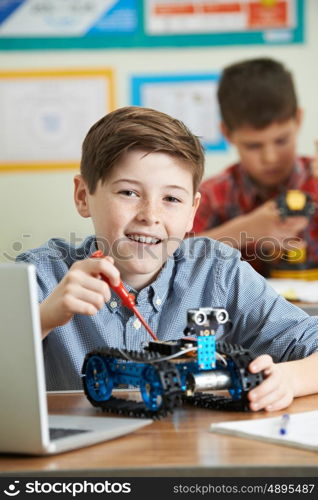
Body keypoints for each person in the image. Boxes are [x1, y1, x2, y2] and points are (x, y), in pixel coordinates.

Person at [17, 106, 318, 413]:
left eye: (171, 199)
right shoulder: (39, 276)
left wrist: (290, 379)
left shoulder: (218, 274)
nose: (150, 216)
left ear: (192, 211)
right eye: (128, 193)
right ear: (83, 196)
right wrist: (41, 320)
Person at [193, 57, 318, 276]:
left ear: (298, 120)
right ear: (227, 133)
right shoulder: (213, 195)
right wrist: (244, 230)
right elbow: (168, 256)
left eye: (281, 141)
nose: (270, 158)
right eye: (253, 146)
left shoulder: (315, 180)